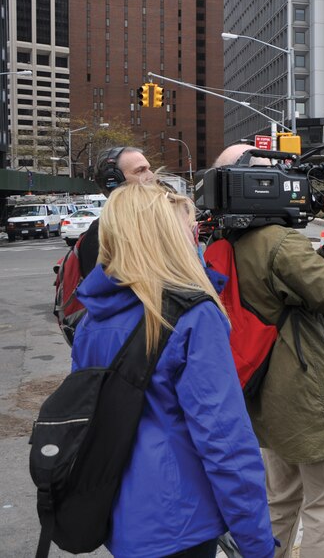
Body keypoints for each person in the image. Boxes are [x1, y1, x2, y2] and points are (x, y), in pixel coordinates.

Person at [71, 182, 275, 558]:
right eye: (190, 229)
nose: (195, 238)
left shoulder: (90, 319)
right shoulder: (191, 316)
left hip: (121, 516)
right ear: (166, 237)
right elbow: (225, 442)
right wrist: (256, 540)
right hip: (181, 520)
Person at [212, 144, 324, 558]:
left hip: (267, 397)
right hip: (309, 398)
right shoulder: (278, 241)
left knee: (279, 501)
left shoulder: (229, 238)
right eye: (271, 175)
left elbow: (293, 285)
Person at [77, 146, 158, 277]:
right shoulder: (101, 234)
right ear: (114, 181)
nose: (151, 176)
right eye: (141, 170)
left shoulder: (155, 220)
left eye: (149, 168)